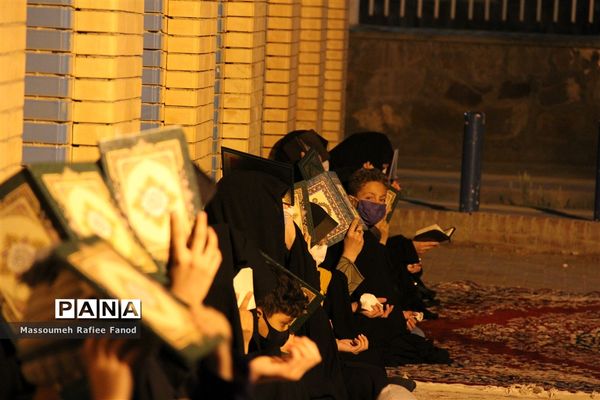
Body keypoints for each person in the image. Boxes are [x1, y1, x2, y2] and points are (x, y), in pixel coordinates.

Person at [323, 168, 452, 366]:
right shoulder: (344, 238)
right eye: (369, 198)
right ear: (352, 201)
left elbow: (383, 284)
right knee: (409, 342)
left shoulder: (369, 237)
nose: (376, 204)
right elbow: (340, 291)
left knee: (414, 335)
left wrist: (397, 313)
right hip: (352, 319)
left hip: (376, 313)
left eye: (382, 199)